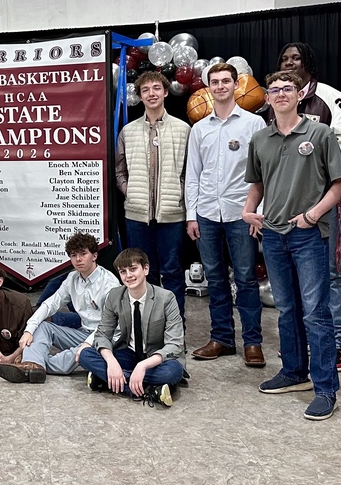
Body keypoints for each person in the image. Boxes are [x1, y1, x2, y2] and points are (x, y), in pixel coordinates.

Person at [243, 70, 341, 421]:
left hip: (308, 235)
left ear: (300, 95)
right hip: (272, 234)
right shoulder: (261, 139)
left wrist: (312, 216)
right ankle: (294, 371)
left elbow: (338, 185)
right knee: (286, 310)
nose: (281, 94)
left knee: (315, 312)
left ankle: (325, 388)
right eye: (275, 90)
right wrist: (248, 210)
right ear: (267, 97)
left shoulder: (320, 133)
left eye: (288, 89)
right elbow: (257, 183)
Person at [278, 43, 341, 371]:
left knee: (332, 272)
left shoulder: (330, 97)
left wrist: (313, 171)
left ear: (308, 62)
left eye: (296, 58)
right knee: (292, 275)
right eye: (285, 59)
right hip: (285, 203)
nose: (290, 63)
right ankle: (301, 342)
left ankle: (339, 341)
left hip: (325, 200)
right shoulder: (277, 99)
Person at [185, 63, 266, 368]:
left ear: (236, 85)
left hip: (240, 214)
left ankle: (253, 343)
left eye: (225, 81)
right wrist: (192, 215)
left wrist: (257, 213)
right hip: (206, 213)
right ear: (208, 88)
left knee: (245, 279)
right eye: (214, 82)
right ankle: (221, 338)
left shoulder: (253, 124)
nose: (220, 86)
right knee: (215, 278)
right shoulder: (200, 129)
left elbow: (261, 174)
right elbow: (193, 175)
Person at [0, 232, 119, 384]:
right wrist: (29, 329)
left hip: (105, 337)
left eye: (83, 254)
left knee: (75, 355)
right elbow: (51, 303)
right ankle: (33, 364)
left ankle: (32, 363)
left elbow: (108, 325)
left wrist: (86, 344)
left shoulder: (109, 283)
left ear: (94, 256)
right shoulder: (72, 278)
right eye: (73, 255)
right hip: (83, 332)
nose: (78, 259)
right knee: (43, 326)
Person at [116, 71, 190, 317]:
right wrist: (131, 194)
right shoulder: (128, 131)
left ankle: (175, 329)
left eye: (156, 88)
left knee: (172, 273)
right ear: (140, 96)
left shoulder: (183, 129)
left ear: (166, 92)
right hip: (137, 217)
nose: (151, 93)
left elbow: (189, 172)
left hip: (172, 215)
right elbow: (119, 171)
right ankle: (149, 329)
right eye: (145, 90)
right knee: (142, 274)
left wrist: (179, 195)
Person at [79, 248, 184, 407]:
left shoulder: (166, 298)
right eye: (123, 271)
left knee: (174, 371)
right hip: (128, 353)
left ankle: (107, 381)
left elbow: (175, 345)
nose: (128, 275)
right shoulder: (115, 296)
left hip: (156, 359)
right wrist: (112, 362)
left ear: (146, 269)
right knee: (85, 355)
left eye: (133, 269)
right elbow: (102, 334)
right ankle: (150, 391)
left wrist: (143, 366)